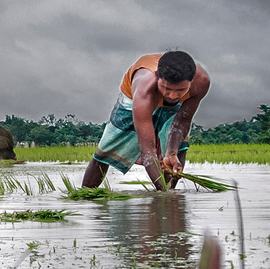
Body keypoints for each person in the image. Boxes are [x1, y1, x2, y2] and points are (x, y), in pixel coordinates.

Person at [83, 51, 210, 190]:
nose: (173, 96)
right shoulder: (144, 90)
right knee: (106, 151)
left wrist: (172, 152)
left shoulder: (201, 82)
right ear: (157, 77)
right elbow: (148, 151)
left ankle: (170, 188)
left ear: (191, 81)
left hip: (174, 102)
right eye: (167, 88)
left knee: (179, 148)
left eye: (180, 89)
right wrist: (163, 196)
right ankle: (86, 193)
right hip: (134, 100)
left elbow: (182, 121)